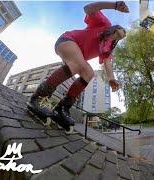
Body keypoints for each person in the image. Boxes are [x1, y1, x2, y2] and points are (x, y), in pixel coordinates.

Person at [27, 1, 129, 132]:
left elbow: (107, 63)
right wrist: (114, 5)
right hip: (67, 40)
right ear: (115, 28)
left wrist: (111, 79)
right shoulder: (104, 24)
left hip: (77, 56)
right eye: (120, 31)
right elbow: (88, 8)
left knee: (89, 73)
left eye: (122, 36)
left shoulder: (108, 48)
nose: (122, 34)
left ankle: (62, 108)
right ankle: (38, 98)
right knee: (79, 64)